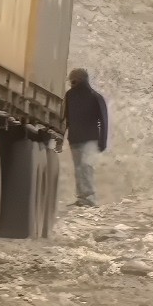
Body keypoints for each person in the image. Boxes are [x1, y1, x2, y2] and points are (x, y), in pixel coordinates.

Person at [63, 68, 109, 208]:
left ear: (80, 80)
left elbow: (104, 120)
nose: (71, 83)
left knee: (86, 166)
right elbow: (66, 118)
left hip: (90, 140)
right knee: (79, 169)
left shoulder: (95, 97)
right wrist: (61, 137)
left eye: (73, 81)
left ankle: (89, 199)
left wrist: (103, 141)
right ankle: (82, 198)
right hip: (76, 139)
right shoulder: (70, 95)